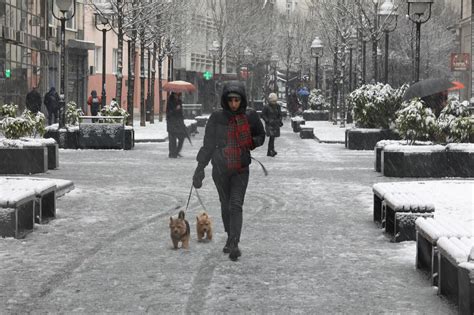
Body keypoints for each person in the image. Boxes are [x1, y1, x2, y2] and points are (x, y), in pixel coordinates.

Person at [192, 81, 265, 261]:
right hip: (220, 169)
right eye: (230, 100)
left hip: (240, 168)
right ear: (225, 100)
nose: (234, 104)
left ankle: (234, 241)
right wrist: (200, 167)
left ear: (242, 100)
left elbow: (261, 135)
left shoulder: (250, 116)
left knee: (235, 205)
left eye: (237, 100)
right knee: (225, 205)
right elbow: (208, 144)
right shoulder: (216, 117)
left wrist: (251, 142)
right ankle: (229, 234)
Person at [261, 92, 283, 157]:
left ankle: (270, 151)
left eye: (275, 101)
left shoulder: (278, 106)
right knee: (272, 137)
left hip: (275, 124)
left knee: (273, 138)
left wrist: (279, 120)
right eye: (272, 101)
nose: (274, 103)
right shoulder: (266, 107)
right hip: (269, 124)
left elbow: (280, 114)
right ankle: (271, 150)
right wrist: (267, 120)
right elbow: (263, 114)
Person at [166, 92, 186, 158]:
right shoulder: (170, 102)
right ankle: (172, 153)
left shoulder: (179, 101)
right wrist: (175, 109)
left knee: (182, 137)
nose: (177, 96)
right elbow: (168, 113)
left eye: (178, 94)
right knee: (172, 140)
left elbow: (180, 113)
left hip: (179, 123)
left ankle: (176, 152)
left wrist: (182, 120)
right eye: (176, 94)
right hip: (171, 123)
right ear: (174, 95)